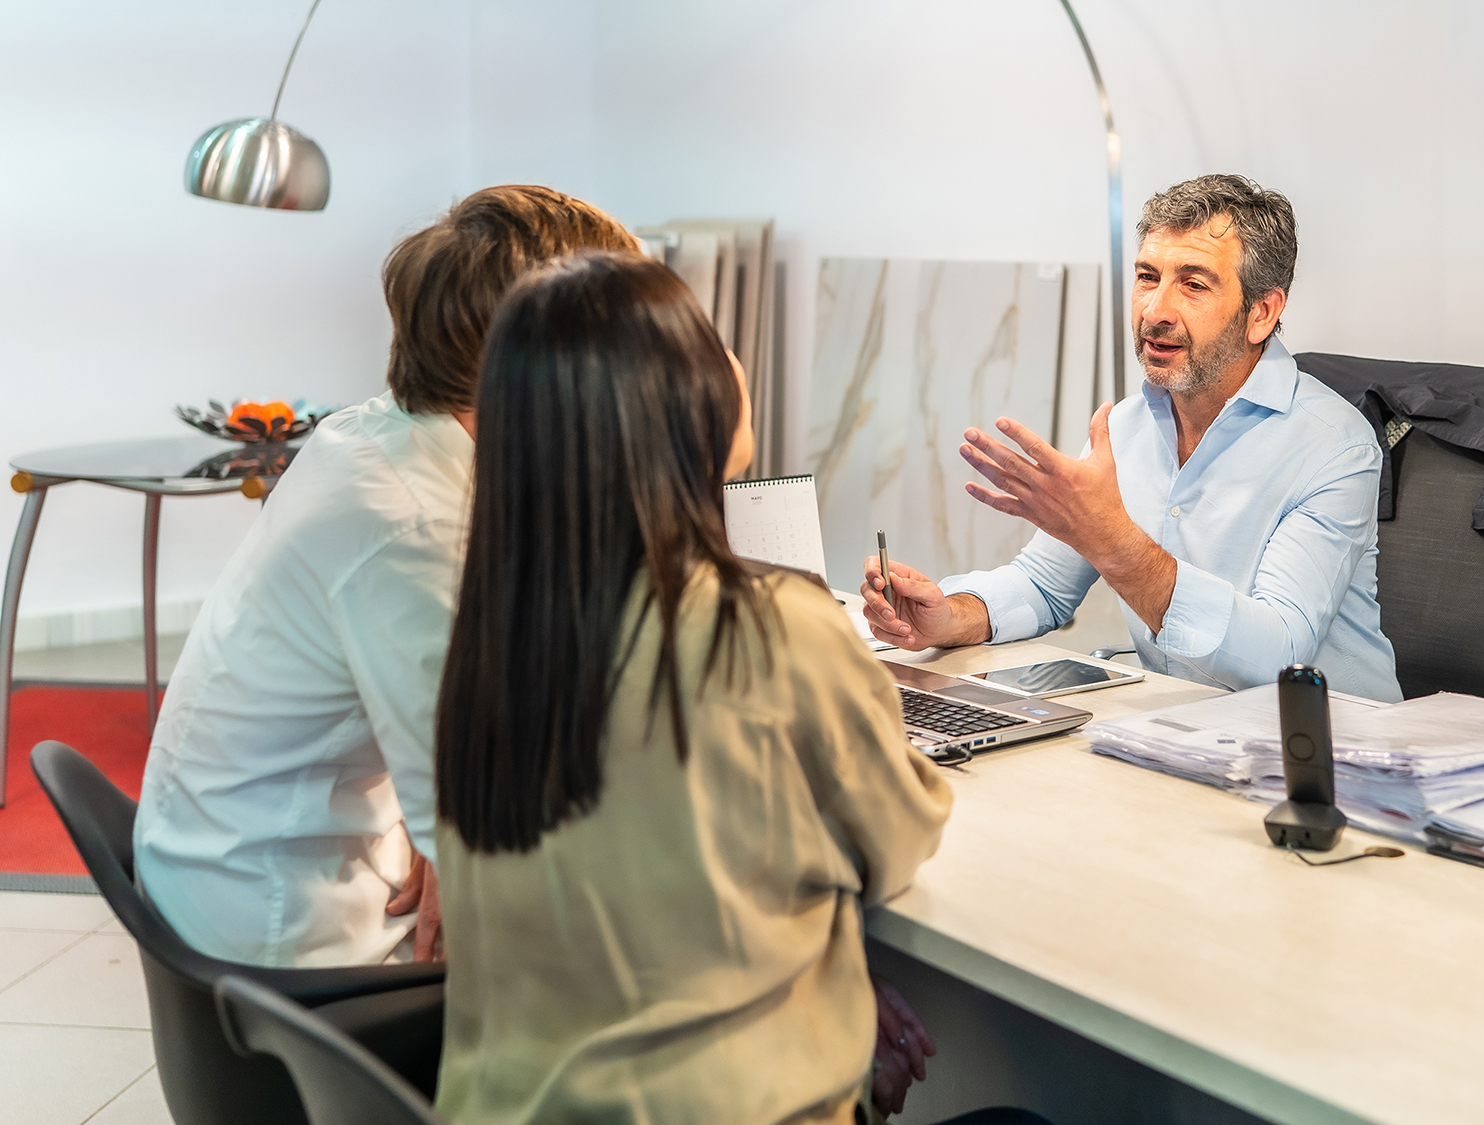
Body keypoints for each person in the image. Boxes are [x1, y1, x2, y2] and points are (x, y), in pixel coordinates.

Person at [433, 252, 1043, 1125]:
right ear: (674, 404)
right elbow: (901, 836)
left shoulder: (496, 636)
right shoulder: (771, 625)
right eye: (708, 344)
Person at [132, 186, 640, 967]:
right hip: (292, 932)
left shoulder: (371, 436)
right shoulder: (415, 525)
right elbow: (507, 848)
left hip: (229, 862)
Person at [862, 174, 1402, 703]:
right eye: (1148, 277)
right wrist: (947, 617)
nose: (1155, 311)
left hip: (1333, 752)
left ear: (1261, 313)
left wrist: (1113, 542)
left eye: (1193, 284)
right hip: (1181, 732)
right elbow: (1044, 585)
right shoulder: (1125, 426)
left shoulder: (1335, 446)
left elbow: (1281, 655)